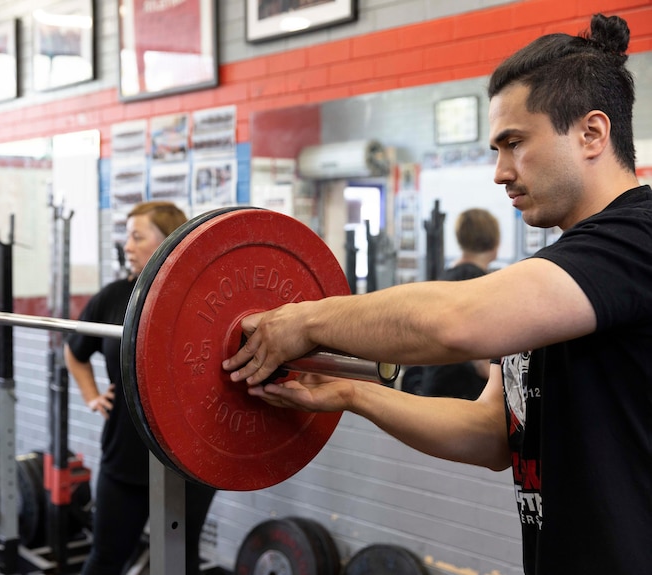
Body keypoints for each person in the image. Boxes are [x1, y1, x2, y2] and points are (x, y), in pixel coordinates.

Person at [224, 13, 650, 575]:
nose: (500, 173)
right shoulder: (558, 278)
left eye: (514, 143)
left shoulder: (640, 238)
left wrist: (305, 321)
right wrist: (353, 396)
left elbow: (455, 322)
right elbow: (491, 434)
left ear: (591, 133)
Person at [65, 201, 216, 575]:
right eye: (126, 237)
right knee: (106, 559)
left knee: (182, 562)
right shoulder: (114, 297)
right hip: (125, 455)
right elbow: (75, 352)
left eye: (137, 236)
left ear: (169, 241)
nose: (127, 246)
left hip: (189, 457)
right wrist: (92, 396)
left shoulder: (205, 300)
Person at [417, 208, 501, 399]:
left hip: (435, 388)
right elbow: (481, 361)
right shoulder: (480, 283)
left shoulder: (447, 276)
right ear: (496, 244)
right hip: (462, 394)